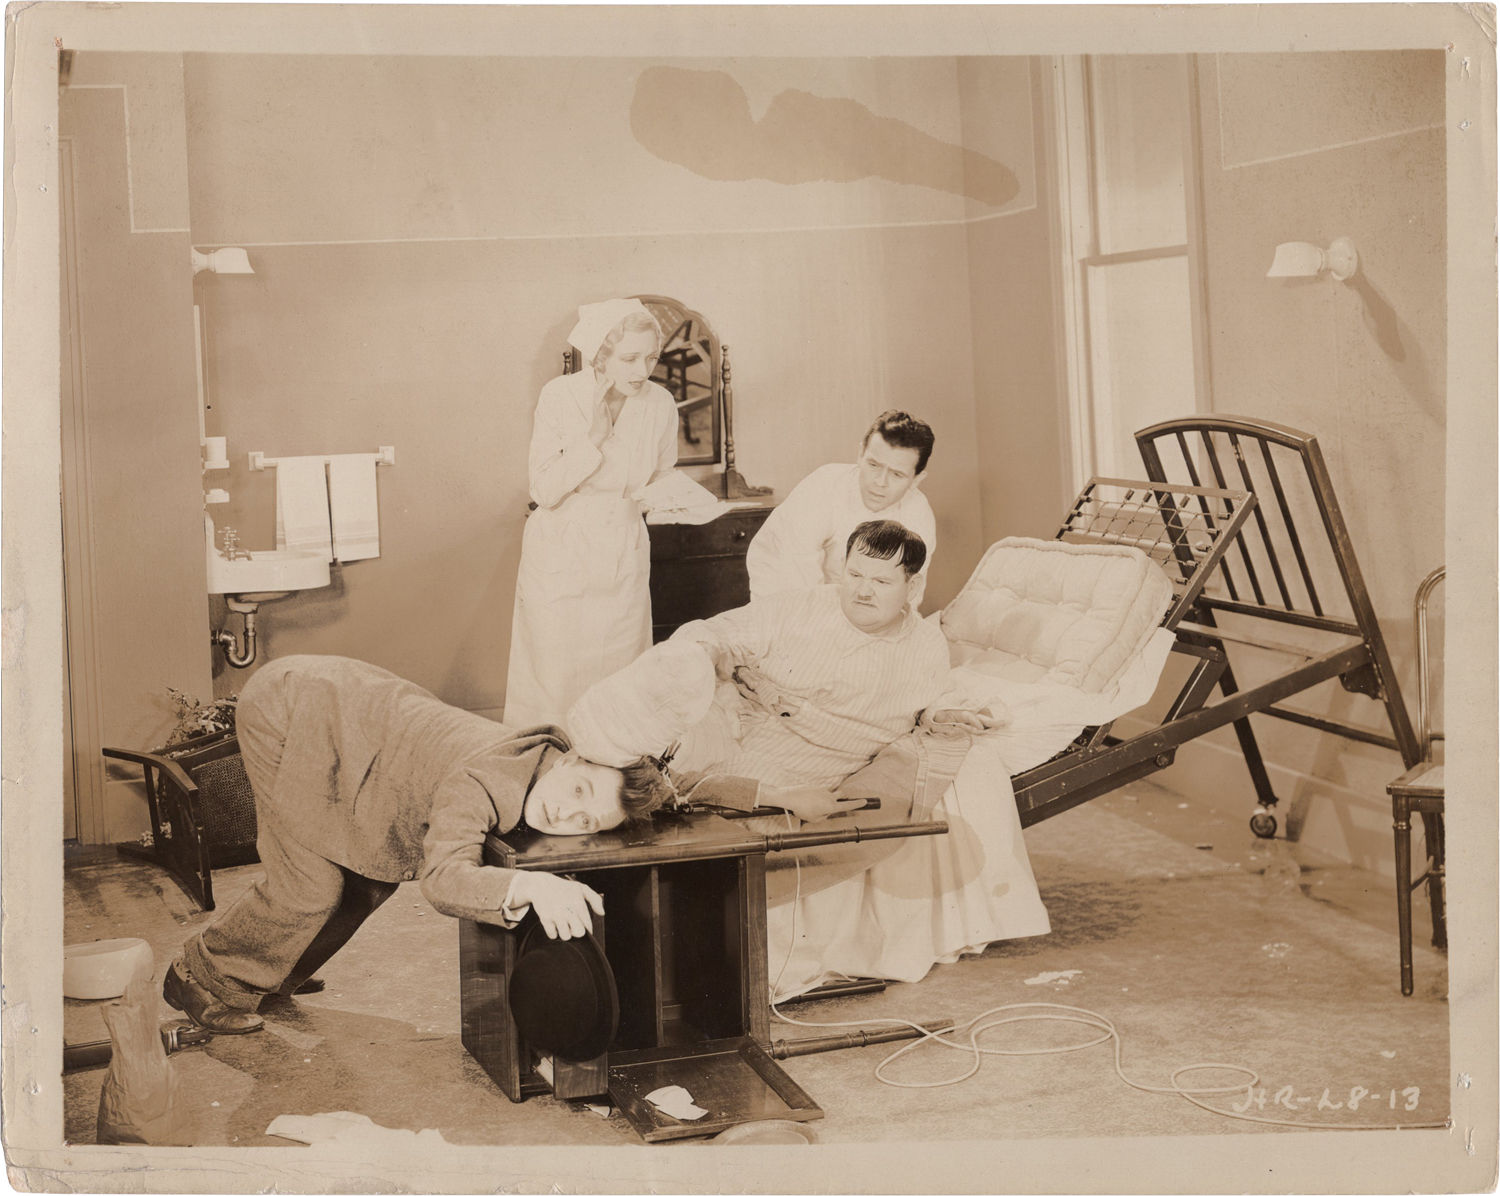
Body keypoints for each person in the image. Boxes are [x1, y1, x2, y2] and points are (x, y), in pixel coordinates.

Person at [162, 654, 681, 1035]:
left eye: (587, 820)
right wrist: (533, 887)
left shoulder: (552, 765)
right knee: (309, 884)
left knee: (367, 883)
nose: (566, 814)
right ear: (570, 760)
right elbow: (443, 881)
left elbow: (679, 788)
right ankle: (201, 975)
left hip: (353, 724)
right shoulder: (481, 781)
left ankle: (269, 972)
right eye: (578, 791)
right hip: (292, 708)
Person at [670, 520, 955, 790]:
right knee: (655, 752)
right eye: (855, 575)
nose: (863, 592)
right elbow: (712, 633)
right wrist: (707, 655)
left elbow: (926, 713)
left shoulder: (926, 647)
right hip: (723, 729)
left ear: (912, 587)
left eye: (881, 582)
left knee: (720, 797)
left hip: (796, 770)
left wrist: (941, 714)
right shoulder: (804, 604)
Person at [503, 298, 678, 728]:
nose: (642, 370)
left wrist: (671, 499)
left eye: (650, 358)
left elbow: (661, 475)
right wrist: (594, 438)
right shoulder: (560, 396)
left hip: (623, 548)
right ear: (601, 354)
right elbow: (544, 489)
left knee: (621, 671)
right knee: (555, 674)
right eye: (629, 358)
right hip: (563, 545)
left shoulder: (660, 403)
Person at [746, 410, 938, 610]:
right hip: (782, 586)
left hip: (855, 607)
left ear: (916, 480)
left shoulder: (918, 515)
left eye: (897, 474)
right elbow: (796, 585)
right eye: (873, 465)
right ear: (860, 454)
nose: (880, 482)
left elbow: (906, 597)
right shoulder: (822, 488)